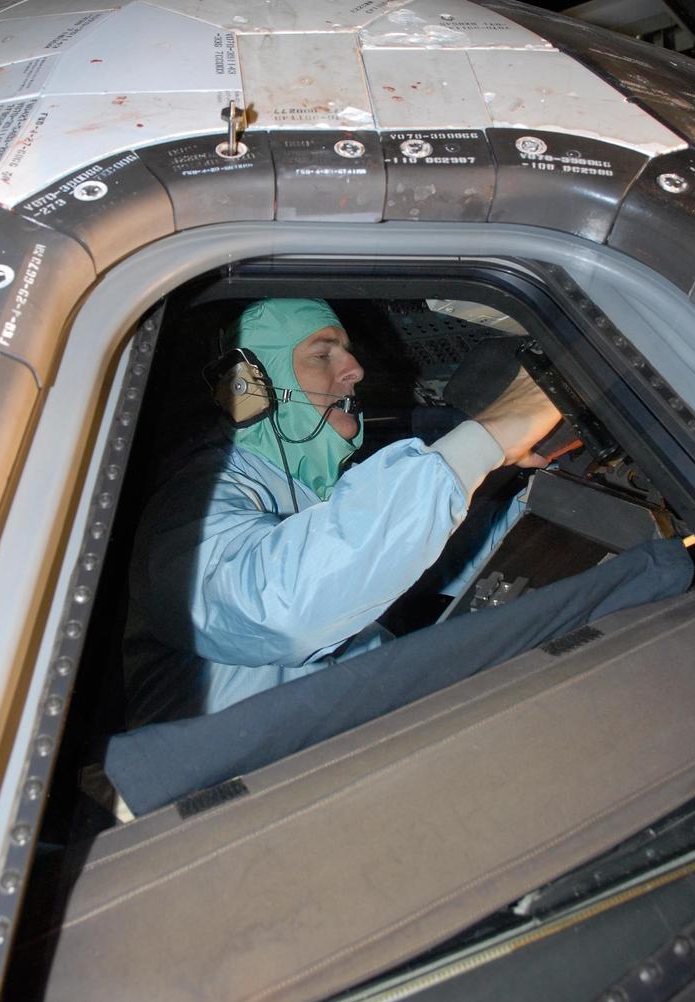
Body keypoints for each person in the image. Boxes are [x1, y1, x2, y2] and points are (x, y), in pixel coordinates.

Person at [123, 297, 565, 725]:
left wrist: (550, 497)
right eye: (322, 355)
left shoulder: (320, 492)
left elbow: (447, 555)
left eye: (348, 354)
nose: (354, 371)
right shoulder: (193, 498)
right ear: (250, 386)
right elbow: (277, 610)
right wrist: (488, 436)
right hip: (242, 785)